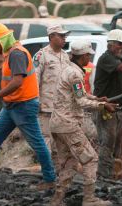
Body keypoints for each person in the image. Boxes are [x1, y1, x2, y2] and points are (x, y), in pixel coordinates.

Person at [0, 23, 56, 190]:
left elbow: (17, 81)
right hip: (11, 105)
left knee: (37, 143)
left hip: (23, 105)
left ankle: (50, 179)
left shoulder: (16, 54)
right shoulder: (11, 53)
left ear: (1, 40)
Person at [49, 40, 116, 206]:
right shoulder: (75, 74)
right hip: (68, 124)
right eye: (88, 56)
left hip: (58, 124)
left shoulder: (68, 70)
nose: (89, 59)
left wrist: (97, 99)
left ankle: (57, 200)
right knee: (91, 159)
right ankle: (89, 199)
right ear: (84, 56)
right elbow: (81, 102)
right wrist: (102, 106)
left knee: (70, 163)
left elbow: (81, 95)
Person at [93, 29, 122, 180]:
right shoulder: (106, 58)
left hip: (119, 107)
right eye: (119, 44)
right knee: (108, 141)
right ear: (110, 44)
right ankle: (104, 174)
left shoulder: (120, 57)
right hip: (107, 106)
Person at [33, 25, 70, 153]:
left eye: (64, 36)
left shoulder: (65, 56)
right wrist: (36, 101)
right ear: (51, 37)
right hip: (47, 105)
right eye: (61, 36)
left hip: (62, 106)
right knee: (46, 138)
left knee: (60, 139)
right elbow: (34, 79)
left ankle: (58, 169)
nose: (64, 38)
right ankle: (46, 169)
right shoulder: (41, 55)